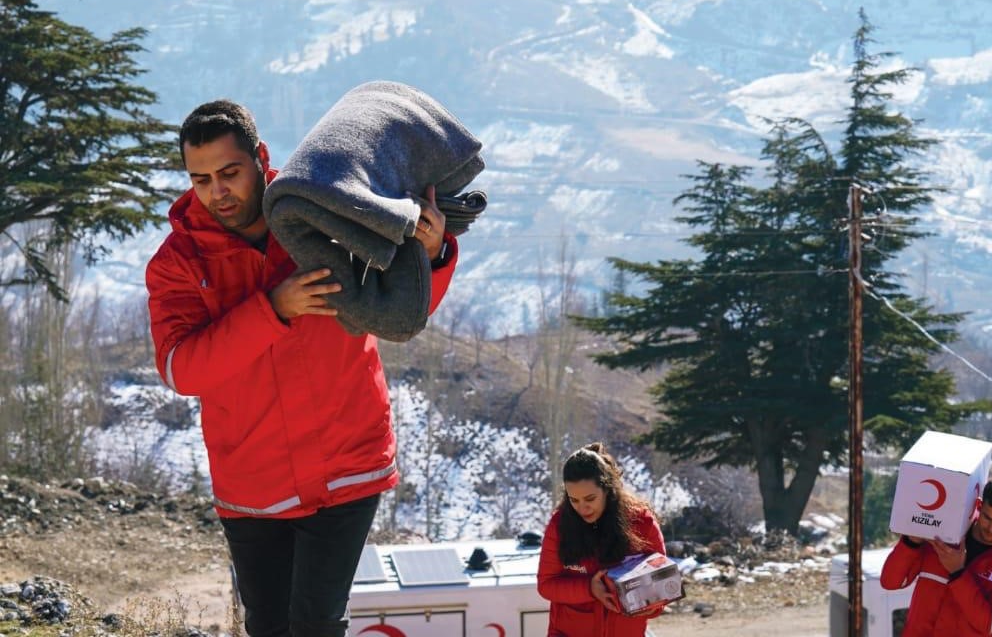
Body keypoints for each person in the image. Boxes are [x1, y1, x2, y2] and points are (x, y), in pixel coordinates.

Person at [145, 100, 458, 637]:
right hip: (252, 481)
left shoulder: (326, 210)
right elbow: (182, 370)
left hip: (348, 462)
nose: (217, 191)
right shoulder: (177, 262)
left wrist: (431, 255)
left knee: (315, 623)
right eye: (200, 179)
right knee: (268, 626)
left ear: (261, 159)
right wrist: (273, 310)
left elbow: (400, 310)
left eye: (229, 173)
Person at [536, 443, 667, 637]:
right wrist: (589, 588)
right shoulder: (559, 525)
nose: (582, 508)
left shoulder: (642, 521)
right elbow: (546, 585)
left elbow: (661, 580)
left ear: (607, 489)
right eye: (574, 500)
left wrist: (653, 606)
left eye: (590, 499)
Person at [880, 476, 992, 637]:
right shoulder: (943, 535)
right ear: (979, 505)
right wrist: (911, 542)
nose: (991, 529)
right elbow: (890, 582)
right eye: (987, 518)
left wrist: (958, 573)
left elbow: (989, 625)